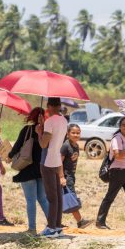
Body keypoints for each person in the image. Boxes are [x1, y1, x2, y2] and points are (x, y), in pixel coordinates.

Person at [7, 107, 49, 234]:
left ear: (32, 116)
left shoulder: (28, 130)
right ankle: (53, 225)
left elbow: (17, 146)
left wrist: (9, 157)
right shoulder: (47, 132)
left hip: (27, 169)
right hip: (42, 169)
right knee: (42, 199)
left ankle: (32, 229)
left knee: (31, 200)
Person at [36, 97, 68, 237]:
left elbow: (43, 144)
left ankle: (51, 227)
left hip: (48, 161)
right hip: (56, 159)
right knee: (58, 196)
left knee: (51, 197)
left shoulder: (50, 121)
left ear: (48, 106)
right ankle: (58, 226)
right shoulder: (64, 120)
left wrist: (39, 131)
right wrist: (44, 126)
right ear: (60, 106)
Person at [60, 124, 92, 229]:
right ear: (68, 134)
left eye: (78, 133)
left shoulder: (76, 146)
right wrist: (61, 177)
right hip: (65, 177)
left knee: (62, 199)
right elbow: (59, 162)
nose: (75, 135)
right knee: (71, 199)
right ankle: (80, 222)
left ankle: (55, 222)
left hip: (71, 176)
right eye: (73, 133)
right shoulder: (65, 146)